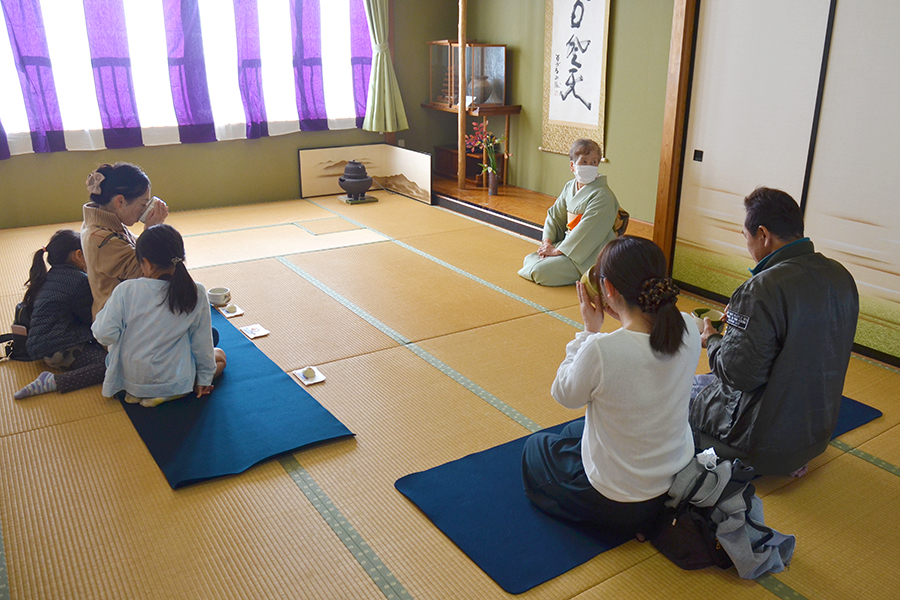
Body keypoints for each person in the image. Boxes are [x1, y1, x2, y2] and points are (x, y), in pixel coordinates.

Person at [522, 236, 701, 535]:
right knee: (573, 432)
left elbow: (564, 393)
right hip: (674, 480)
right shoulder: (689, 329)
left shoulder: (603, 349)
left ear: (607, 289)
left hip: (618, 501)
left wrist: (589, 331)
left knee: (536, 447)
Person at [690, 187, 859, 477]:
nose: (747, 245)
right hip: (816, 434)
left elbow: (739, 374)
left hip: (759, 444)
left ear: (764, 236)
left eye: (746, 237)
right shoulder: (840, 274)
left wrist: (714, 339)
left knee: (676, 392)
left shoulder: (762, 288)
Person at [92, 224, 226, 408]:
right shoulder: (196, 291)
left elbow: (104, 334)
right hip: (175, 382)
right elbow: (201, 343)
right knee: (220, 356)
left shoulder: (126, 290)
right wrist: (204, 378)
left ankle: (140, 394)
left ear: (146, 263)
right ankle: (166, 395)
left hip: (129, 381)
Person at [14, 230, 107, 399]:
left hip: (44, 345)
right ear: (78, 255)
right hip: (60, 348)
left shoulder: (51, 275)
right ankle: (54, 381)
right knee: (109, 364)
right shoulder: (79, 281)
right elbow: (89, 318)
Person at [518, 139, 622, 286]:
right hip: (568, 244)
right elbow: (554, 216)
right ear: (572, 166)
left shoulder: (603, 195)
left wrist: (558, 251)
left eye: (594, 162)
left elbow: (588, 230)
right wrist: (547, 242)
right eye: (584, 162)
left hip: (589, 252)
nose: (589, 166)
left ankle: (589, 272)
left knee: (540, 271)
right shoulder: (570, 187)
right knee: (530, 259)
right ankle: (557, 259)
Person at [81, 162, 169, 317]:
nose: (145, 209)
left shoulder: (104, 222)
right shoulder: (101, 239)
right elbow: (146, 271)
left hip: (129, 309)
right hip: (119, 323)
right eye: (143, 204)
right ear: (120, 202)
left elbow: (130, 245)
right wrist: (151, 231)